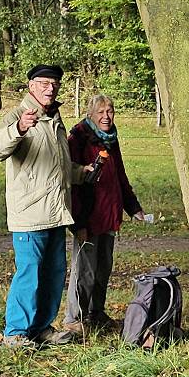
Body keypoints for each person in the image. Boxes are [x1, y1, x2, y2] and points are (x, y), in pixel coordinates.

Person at [0, 63, 97, 347]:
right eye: (45, 84)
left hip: (56, 212)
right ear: (31, 86)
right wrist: (19, 128)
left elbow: (57, 165)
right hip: (30, 213)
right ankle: (15, 333)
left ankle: (41, 328)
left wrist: (80, 173)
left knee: (53, 274)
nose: (51, 88)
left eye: (55, 84)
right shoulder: (16, 116)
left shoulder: (54, 120)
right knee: (29, 273)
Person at [56, 94, 145, 342]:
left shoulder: (111, 139)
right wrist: (79, 224)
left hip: (109, 214)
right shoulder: (78, 138)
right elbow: (73, 186)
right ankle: (74, 318)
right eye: (101, 112)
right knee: (84, 271)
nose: (106, 116)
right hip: (88, 217)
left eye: (110, 111)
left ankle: (96, 313)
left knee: (103, 269)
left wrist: (132, 207)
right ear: (90, 114)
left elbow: (120, 176)